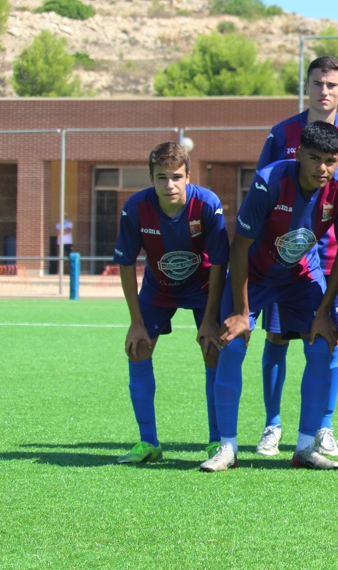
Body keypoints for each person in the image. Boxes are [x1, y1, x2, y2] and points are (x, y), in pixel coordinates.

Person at [201, 123, 338, 472]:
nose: (322, 168)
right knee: (233, 346)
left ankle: (304, 447)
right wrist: (242, 312)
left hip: (301, 276)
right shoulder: (269, 181)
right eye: (314, 158)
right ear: (298, 154)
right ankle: (227, 447)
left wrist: (323, 311)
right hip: (254, 275)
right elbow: (239, 246)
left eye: (330, 161)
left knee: (321, 345)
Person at [253, 56, 338, 460]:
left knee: (328, 341)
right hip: (285, 259)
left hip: (335, 258)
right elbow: (262, 195)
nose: (325, 91)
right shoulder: (282, 133)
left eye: (332, 84)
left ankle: (323, 427)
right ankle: (273, 424)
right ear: (308, 86)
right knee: (277, 337)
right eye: (317, 83)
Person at [113, 142, 229, 464]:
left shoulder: (208, 205)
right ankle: (148, 442)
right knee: (137, 347)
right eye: (161, 177)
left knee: (213, 349)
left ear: (188, 176)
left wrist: (208, 319)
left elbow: (220, 264)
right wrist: (136, 322)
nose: (169, 185)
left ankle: (216, 442)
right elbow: (126, 264)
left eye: (176, 177)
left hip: (204, 286)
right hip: (158, 288)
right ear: (151, 178)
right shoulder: (135, 208)